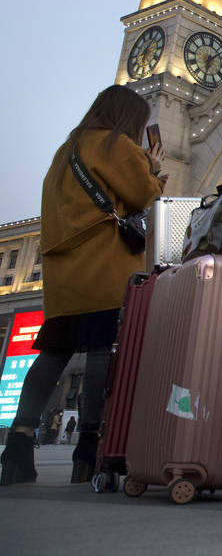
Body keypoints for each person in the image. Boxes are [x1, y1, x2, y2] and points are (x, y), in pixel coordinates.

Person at [0, 85, 165, 486]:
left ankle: (18, 446)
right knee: (99, 351)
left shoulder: (66, 151)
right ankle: (89, 447)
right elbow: (144, 194)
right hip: (103, 264)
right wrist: (153, 168)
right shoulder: (116, 145)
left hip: (63, 271)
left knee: (53, 352)